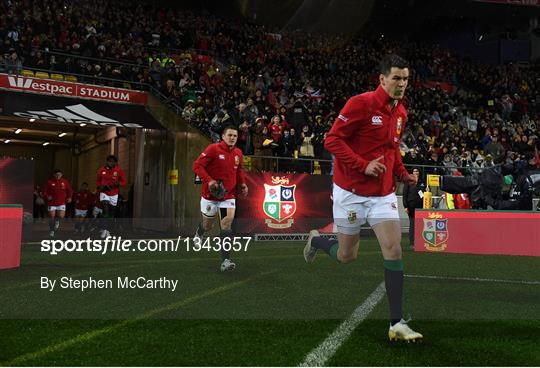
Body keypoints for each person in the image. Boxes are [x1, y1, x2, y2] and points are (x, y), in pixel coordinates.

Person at [303, 54, 423, 342]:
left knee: (393, 250)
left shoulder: (401, 113)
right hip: (351, 194)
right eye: (396, 78)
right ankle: (318, 240)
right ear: (382, 79)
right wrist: (362, 164)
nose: (402, 83)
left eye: (405, 79)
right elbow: (332, 140)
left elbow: (392, 150)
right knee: (347, 256)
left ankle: (396, 323)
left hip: (382, 195)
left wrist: (404, 174)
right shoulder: (360, 103)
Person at [193, 125, 249, 272]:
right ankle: (200, 232)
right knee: (208, 226)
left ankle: (225, 261)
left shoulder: (238, 153)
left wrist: (242, 184)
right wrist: (209, 180)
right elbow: (197, 166)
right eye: (229, 135)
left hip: (228, 196)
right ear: (223, 136)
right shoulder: (213, 149)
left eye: (235, 136)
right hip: (210, 196)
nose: (232, 138)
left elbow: (240, 170)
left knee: (226, 224)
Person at [96, 155, 127, 239]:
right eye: (109, 161)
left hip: (114, 193)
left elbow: (124, 182)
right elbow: (98, 181)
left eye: (112, 161)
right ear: (107, 161)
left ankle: (107, 229)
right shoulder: (101, 170)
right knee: (106, 209)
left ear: (115, 163)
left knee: (111, 212)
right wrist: (100, 187)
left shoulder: (118, 170)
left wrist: (119, 184)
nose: (111, 163)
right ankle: (104, 229)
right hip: (104, 192)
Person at [43, 169, 73, 237]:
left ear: (61, 175)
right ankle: (52, 231)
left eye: (59, 174)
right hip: (52, 203)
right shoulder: (49, 182)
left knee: (61, 216)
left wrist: (70, 197)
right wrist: (47, 196)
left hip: (61, 203)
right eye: (56, 175)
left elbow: (70, 190)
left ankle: (57, 221)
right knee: (51, 217)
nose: (58, 176)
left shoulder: (65, 182)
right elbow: (44, 192)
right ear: (54, 175)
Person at [402, 168, 426, 249]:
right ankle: (412, 243)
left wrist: (427, 191)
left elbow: (424, 194)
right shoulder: (408, 182)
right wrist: (405, 206)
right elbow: (404, 194)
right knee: (412, 224)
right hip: (411, 206)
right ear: (412, 173)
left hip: (421, 207)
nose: (416, 172)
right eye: (414, 171)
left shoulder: (422, 182)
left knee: (420, 225)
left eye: (417, 171)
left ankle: (419, 242)